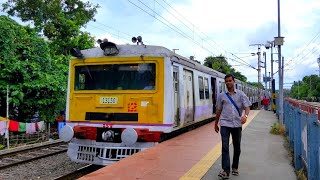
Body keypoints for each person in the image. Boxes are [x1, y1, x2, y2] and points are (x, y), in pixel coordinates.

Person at [215, 74, 251, 179]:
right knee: (225, 147)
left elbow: (247, 107)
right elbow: (218, 110)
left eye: (230, 81)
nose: (228, 83)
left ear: (234, 82)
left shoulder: (241, 94)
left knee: (237, 147)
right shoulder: (221, 95)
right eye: (226, 81)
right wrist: (216, 123)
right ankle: (226, 171)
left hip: (237, 124)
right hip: (225, 124)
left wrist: (245, 115)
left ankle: (235, 167)